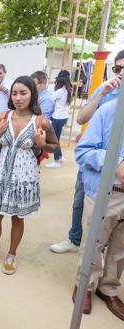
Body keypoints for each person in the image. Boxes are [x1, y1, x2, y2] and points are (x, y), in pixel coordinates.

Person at [49, 50, 124, 253]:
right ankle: (74, 239)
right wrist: (101, 94)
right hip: (92, 164)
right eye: (118, 68)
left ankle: (101, 249)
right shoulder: (106, 90)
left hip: (118, 174)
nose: (121, 73)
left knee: (110, 221)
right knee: (79, 202)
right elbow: (81, 118)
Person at [0, 76, 59, 274]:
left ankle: (12, 254)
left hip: (24, 177)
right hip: (1, 174)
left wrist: (42, 144)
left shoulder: (41, 121)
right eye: (15, 93)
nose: (18, 97)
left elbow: (55, 146)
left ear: (32, 94)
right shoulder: (3, 117)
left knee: (17, 217)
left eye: (23, 93)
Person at [72, 98, 124, 320]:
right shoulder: (108, 111)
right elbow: (83, 151)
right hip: (107, 192)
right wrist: (117, 162)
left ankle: (109, 289)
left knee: (121, 248)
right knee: (94, 244)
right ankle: (85, 286)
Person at [45, 70, 72, 169]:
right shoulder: (69, 89)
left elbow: (50, 99)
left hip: (57, 117)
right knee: (57, 138)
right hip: (64, 117)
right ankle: (60, 157)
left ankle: (56, 161)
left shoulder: (60, 91)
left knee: (54, 140)